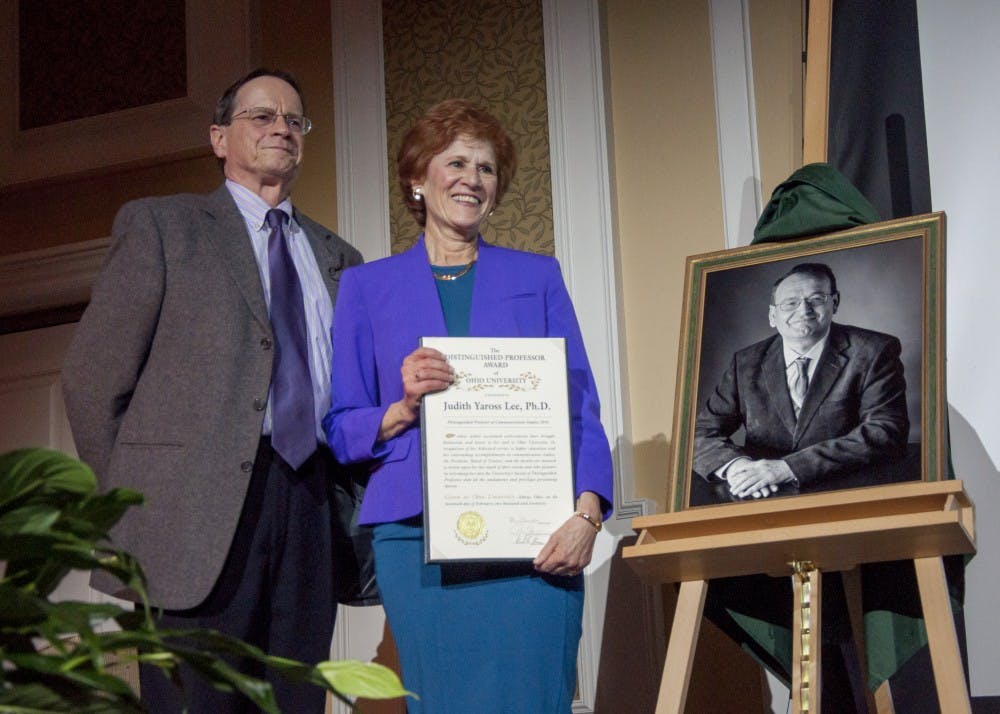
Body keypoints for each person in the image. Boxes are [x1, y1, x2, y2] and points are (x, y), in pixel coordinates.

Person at [62, 68, 363, 712]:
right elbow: (93, 381)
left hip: (307, 506)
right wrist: (137, 503)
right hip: (188, 518)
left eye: (294, 120)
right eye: (262, 116)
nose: (281, 128)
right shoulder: (164, 228)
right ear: (219, 137)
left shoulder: (341, 258)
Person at [323, 98, 614, 713]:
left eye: (486, 169)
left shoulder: (536, 277)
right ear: (417, 179)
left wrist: (587, 516)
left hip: (536, 536)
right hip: (416, 534)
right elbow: (342, 426)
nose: (472, 179)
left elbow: (579, 405)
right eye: (455, 162)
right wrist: (401, 406)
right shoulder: (366, 288)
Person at [693, 262, 909, 500]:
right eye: (790, 303)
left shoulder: (874, 351)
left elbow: (885, 431)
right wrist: (738, 468)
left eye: (816, 299)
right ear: (773, 315)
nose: (804, 310)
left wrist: (787, 468)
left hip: (849, 494)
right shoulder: (745, 362)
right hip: (763, 498)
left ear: (834, 303)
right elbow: (700, 433)